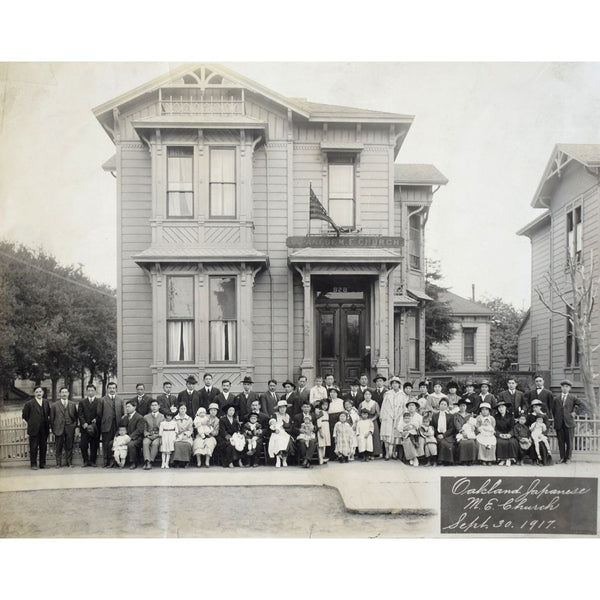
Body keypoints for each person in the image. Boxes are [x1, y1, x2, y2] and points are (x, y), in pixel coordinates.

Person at [549, 379, 586, 464]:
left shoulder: (573, 398)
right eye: (563, 386)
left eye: (567, 387)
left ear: (569, 388)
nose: (565, 388)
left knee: (569, 441)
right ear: (561, 388)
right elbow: (553, 410)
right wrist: (557, 419)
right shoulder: (556, 398)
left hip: (569, 423)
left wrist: (575, 413)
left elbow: (582, 406)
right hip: (559, 423)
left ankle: (568, 458)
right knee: (561, 442)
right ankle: (562, 458)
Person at [22, 386, 51, 470]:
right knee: (33, 447)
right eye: (37, 392)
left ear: (43, 393)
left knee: (43, 447)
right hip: (34, 429)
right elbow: (25, 416)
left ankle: (42, 464)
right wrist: (32, 423)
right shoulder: (29, 404)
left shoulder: (46, 402)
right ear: (34, 393)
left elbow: (48, 414)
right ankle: (33, 464)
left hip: (44, 429)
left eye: (40, 392)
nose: (39, 393)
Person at [50, 386, 78, 468]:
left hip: (70, 428)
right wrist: (53, 430)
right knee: (58, 446)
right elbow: (52, 419)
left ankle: (69, 463)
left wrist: (74, 427)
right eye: (62, 392)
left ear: (68, 394)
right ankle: (58, 463)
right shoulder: (54, 405)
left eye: (66, 392)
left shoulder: (72, 404)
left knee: (69, 446)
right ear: (59, 394)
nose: (64, 394)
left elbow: (76, 417)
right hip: (58, 428)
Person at [98, 381, 124, 468]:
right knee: (106, 443)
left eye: (113, 388)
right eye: (110, 388)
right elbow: (99, 414)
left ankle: (115, 461)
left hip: (116, 425)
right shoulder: (102, 400)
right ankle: (106, 461)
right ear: (107, 389)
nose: (112, 390)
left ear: (116, 389)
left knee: (116, 443)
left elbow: (122, 413)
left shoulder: (120, 400)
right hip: (106, 425)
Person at [380, 376, 405, 460]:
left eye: (396, 383)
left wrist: (403, 417)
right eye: (393, 383)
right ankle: (387, 453)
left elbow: (404, 407)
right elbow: (383, 406)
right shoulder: (387, 394)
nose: (394, 385)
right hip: (388, 415)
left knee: (395, 435)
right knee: (387, 435)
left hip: (398, 416)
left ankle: (394, 452)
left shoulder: (402, 394)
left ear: (399, 384)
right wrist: (382, 416)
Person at [119, 399, 146, 469]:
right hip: (125, 437)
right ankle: (116, 461)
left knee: (131, 444)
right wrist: (118, 436)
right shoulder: (125, 417)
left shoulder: (140, 417)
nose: (127, 408)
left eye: (129, 407)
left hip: (137, 438)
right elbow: (121, 428)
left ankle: (133, 462)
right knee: (111, 443)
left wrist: (130, 437)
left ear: (134, 407)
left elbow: (139, 430)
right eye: (126, 407)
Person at [78, 384, 100, 467]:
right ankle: (86, 461)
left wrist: (96, 419)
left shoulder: (99, 401)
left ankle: (93, 461)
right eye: (89, 390)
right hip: (85, 427)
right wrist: (84, 423)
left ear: (95, 391)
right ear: (87, 391)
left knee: (94, 445)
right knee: (83, 445)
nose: (90, 392)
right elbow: (80, 414)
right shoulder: (82, 402)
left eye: (92, 390)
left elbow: (101, 413)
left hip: (95, 428)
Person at [292, 401, 317, 467]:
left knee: (312, 441)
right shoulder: (297, 416)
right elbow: (294, 428)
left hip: (310, 435)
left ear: (310, 408)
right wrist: (300, 430)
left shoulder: (313, 416)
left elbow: (316, 427)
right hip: (302, 435)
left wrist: (313, 429)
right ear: (301, 408)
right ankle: (307, 461)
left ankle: (305, 460)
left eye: (308, 407)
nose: (306, 408)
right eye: (304, 407)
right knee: (302, 442)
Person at [268, 400, 293, 467]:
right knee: (278, 440)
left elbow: (291, 427)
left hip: (286, 433)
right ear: (278, 408)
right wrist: (275, 430)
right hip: (277, 432)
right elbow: (271, 425)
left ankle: (284, 458)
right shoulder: (275, 415)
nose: (282, 409)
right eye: (280, 407)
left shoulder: (288, 416)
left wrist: (286, 430)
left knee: (288, 440)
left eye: (283, 407)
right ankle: (278, 458)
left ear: (286, 408)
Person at [432, 398, 456, 465]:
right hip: (438, 434)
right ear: (439, 405)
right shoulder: (434, 416)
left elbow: (452, 428)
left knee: (447, 444)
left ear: (447, 406)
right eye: (441, 404)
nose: (443, 406)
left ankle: (448, 461)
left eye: (445, 405)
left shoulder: (450, 416)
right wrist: (437, 434)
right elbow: (432, 427)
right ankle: (441, 461)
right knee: (441, 442)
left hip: (447, 435)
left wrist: (444, 435)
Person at [359, 388, 382, 457]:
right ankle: (365, 453)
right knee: (364, 436)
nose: (367, 396)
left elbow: (378, 414)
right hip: (363, 422)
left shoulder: (374, 403)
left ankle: (374, 453)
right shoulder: (361, 404)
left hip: (372, 421)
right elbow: (359, 413)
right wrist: (363, 420)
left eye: (369, 394)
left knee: (373, 436)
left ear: (371, 395)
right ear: (364, 395)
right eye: (366, 394)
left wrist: (371, 419)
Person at [453, 398, 477, 465]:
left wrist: (473, 427)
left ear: (466, 407)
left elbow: (472, 424)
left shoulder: (469, 415)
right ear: (459, 407)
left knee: (471, 442)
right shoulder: (456, 415)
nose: (462, 407)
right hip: (460, 433)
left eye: (464, 406)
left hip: (469, 433)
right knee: (462, 443)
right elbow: (457, 424)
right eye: (461, 406)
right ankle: (463, 460)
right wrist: (462, 432)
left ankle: (470, 460)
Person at [495, 401, 518, 466]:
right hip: (500, 434)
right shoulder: (496, 417)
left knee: (512, 442)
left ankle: (509, 459)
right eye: (499, 408)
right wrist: (500, 434)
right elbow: (495, 428)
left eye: (502, 407)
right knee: (499, 442)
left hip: (509, 434)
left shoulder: (511, 416)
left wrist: (510, 434)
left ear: (505, 408)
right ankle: (502, 459)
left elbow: (513, 427)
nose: (501, 409)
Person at [142, 400, 164, 469]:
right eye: (152, 405)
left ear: (159, 406)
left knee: (155, 444)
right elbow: (144, 428)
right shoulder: (146, 417)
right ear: (150, 407)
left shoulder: (162, 417)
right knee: (145, 442)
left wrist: (158, 435)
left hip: (158, 435)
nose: (154, 407)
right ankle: (147, 461)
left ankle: (150, 461)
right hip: (149, 435)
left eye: (155, 405)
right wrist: (147, 434)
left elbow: (163, 429)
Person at [315, 398, 331, 465]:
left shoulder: (326, 412)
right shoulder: (320, 412)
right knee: (321, 444)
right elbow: (319, 422)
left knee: (325, 444)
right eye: (323, 405)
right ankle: (320, 458)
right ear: (321, 405)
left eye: (326, 405)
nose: (325, 406)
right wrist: (320, 431)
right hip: (322, 428)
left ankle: (323, 457)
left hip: (326, 428)